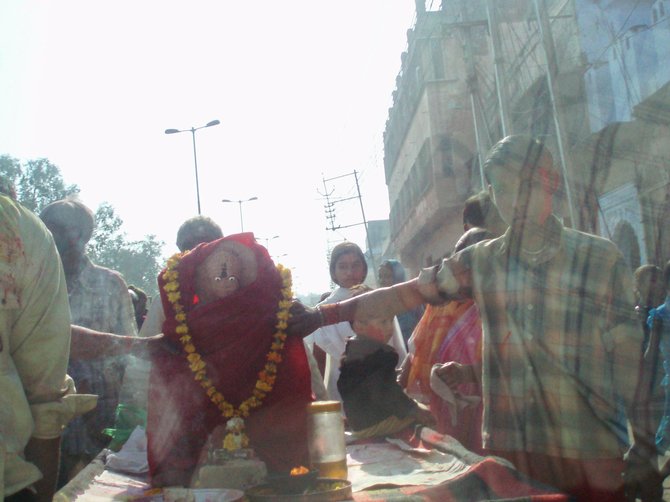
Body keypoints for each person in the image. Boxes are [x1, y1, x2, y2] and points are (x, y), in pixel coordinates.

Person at [290, 135, 659, 501]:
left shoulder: (599, 259)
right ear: (492, 192)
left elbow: (630, 364)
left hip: (590, 451)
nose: (516, 198)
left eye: (526, 183)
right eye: (504, 187)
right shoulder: (482, 261)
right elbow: (405, 294)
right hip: (511, 452)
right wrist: (321, 315)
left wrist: (644, 448)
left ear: (552, 181)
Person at [147, 233, 313, 487]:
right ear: (198, 274)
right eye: (215, 272)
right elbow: (170, 422)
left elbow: (296, 385)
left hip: (276, 470)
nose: (225, 282)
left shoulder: (273, 322)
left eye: (231, 273)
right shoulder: (182, 332)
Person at [0, 193, 97, 501]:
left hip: (82, 415)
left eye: (58, 227)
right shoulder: (22, 233)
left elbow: (45, 396)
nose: (51, 232)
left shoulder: (20, 232)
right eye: (48, 224)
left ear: (79, 236)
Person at [39, 198, 138, 486]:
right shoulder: (32, 284)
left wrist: (130, 425)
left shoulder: (110, 283)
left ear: (80, 236)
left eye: (54, 229)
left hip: (102, 421)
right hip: (46, 422)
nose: (46, 237)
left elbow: (130, 356)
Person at [306, 241, 406, 404]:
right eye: (343, 266)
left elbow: (397, 349)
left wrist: (402, 382)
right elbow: (319, 361)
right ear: (334, 271)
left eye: (355, 265)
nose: (350, 272)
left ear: (364, 268)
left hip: (383, 383)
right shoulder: (322, 311)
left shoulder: (379, 300)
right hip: (342, 389)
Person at [337, 284, 435, 440]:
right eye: (383, 322)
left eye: (390, 321)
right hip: (376, 424)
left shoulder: (353, 350)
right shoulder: (380, 353)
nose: (390, 328)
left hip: (359, 423)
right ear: (359, 325)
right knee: (427, 413)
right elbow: (386, 392)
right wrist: (414, 409)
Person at [378, 259, 423, 347]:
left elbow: (424, 326)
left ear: (398, 277)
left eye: (387, 276)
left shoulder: (412, 300)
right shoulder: (380, 305)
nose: (382, 280)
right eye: (380, 276)